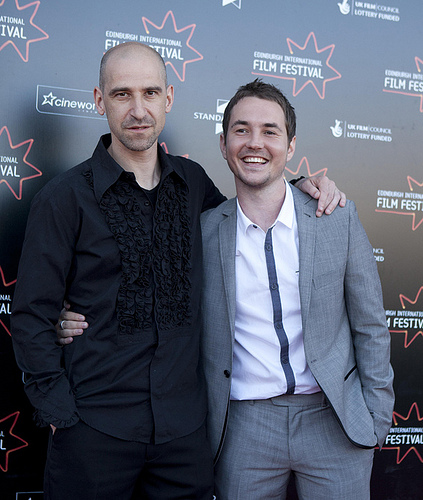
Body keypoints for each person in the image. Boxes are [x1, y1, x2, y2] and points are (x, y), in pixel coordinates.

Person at [11, 42, 344, 500]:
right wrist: (59, 412)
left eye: (150, 93)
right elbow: (30, 315)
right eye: (122, 94)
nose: (138, 110)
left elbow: (251, 213)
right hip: (93, 430)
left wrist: (299, 185)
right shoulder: (64, 198)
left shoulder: (194, 185)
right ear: (98, 99)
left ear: (168, 99)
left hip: (184, 438)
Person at [200, 80, 395, 499]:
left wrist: (377, 415)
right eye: (241, 129)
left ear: (290, 147)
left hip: (333, 419)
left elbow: (371, 324)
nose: (255, 142)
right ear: (223, 143)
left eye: (270, 131)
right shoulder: (204, 232)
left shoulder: (335, 216)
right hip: (243, 428)